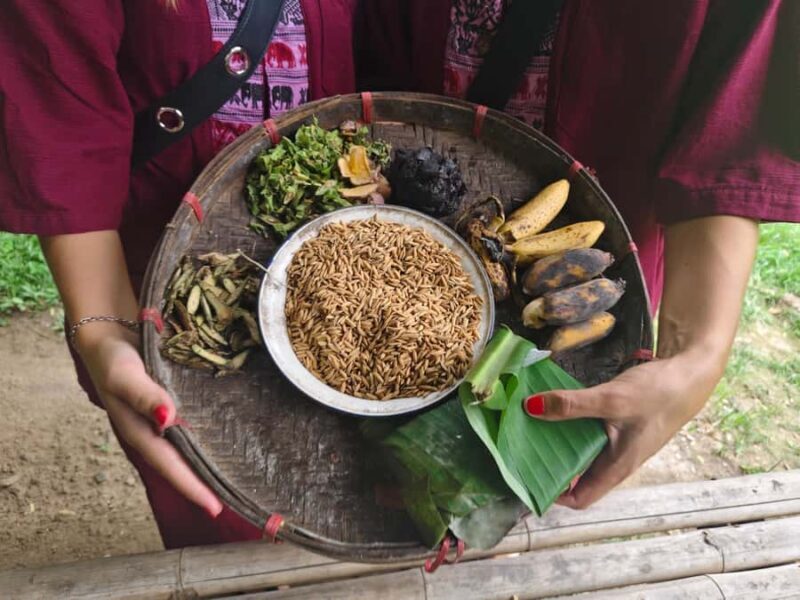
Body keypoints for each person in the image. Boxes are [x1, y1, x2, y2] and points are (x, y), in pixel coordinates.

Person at [0, 0, 797, 549]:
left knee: (482, 509)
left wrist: (699, 352)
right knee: (247, 511)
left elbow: (737, 97)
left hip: (566, 278)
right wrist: (101, 322)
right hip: (264, 230)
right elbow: (57, 88)